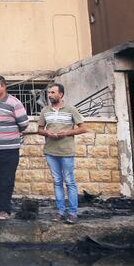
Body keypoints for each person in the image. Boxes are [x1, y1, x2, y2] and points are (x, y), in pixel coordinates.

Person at [37, 82, 87, 224]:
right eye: (49, 93)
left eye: (53, 92)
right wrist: (46, 132)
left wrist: (68, 132)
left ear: (61, 94)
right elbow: (39, 129)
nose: (50, 95)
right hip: (50, 151)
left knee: (69, 182)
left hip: (66, 151)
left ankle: (72, 213)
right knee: (57, 182)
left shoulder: (71, 109)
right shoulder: (45, 110)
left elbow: (83, 128)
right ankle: (60, 211)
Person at [0, 75, 29, 219]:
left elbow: (24, 124)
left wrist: (8, 134)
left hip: (8, 149)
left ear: (4, 87)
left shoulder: (14, 103)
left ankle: (5, 210)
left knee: (6, 180)